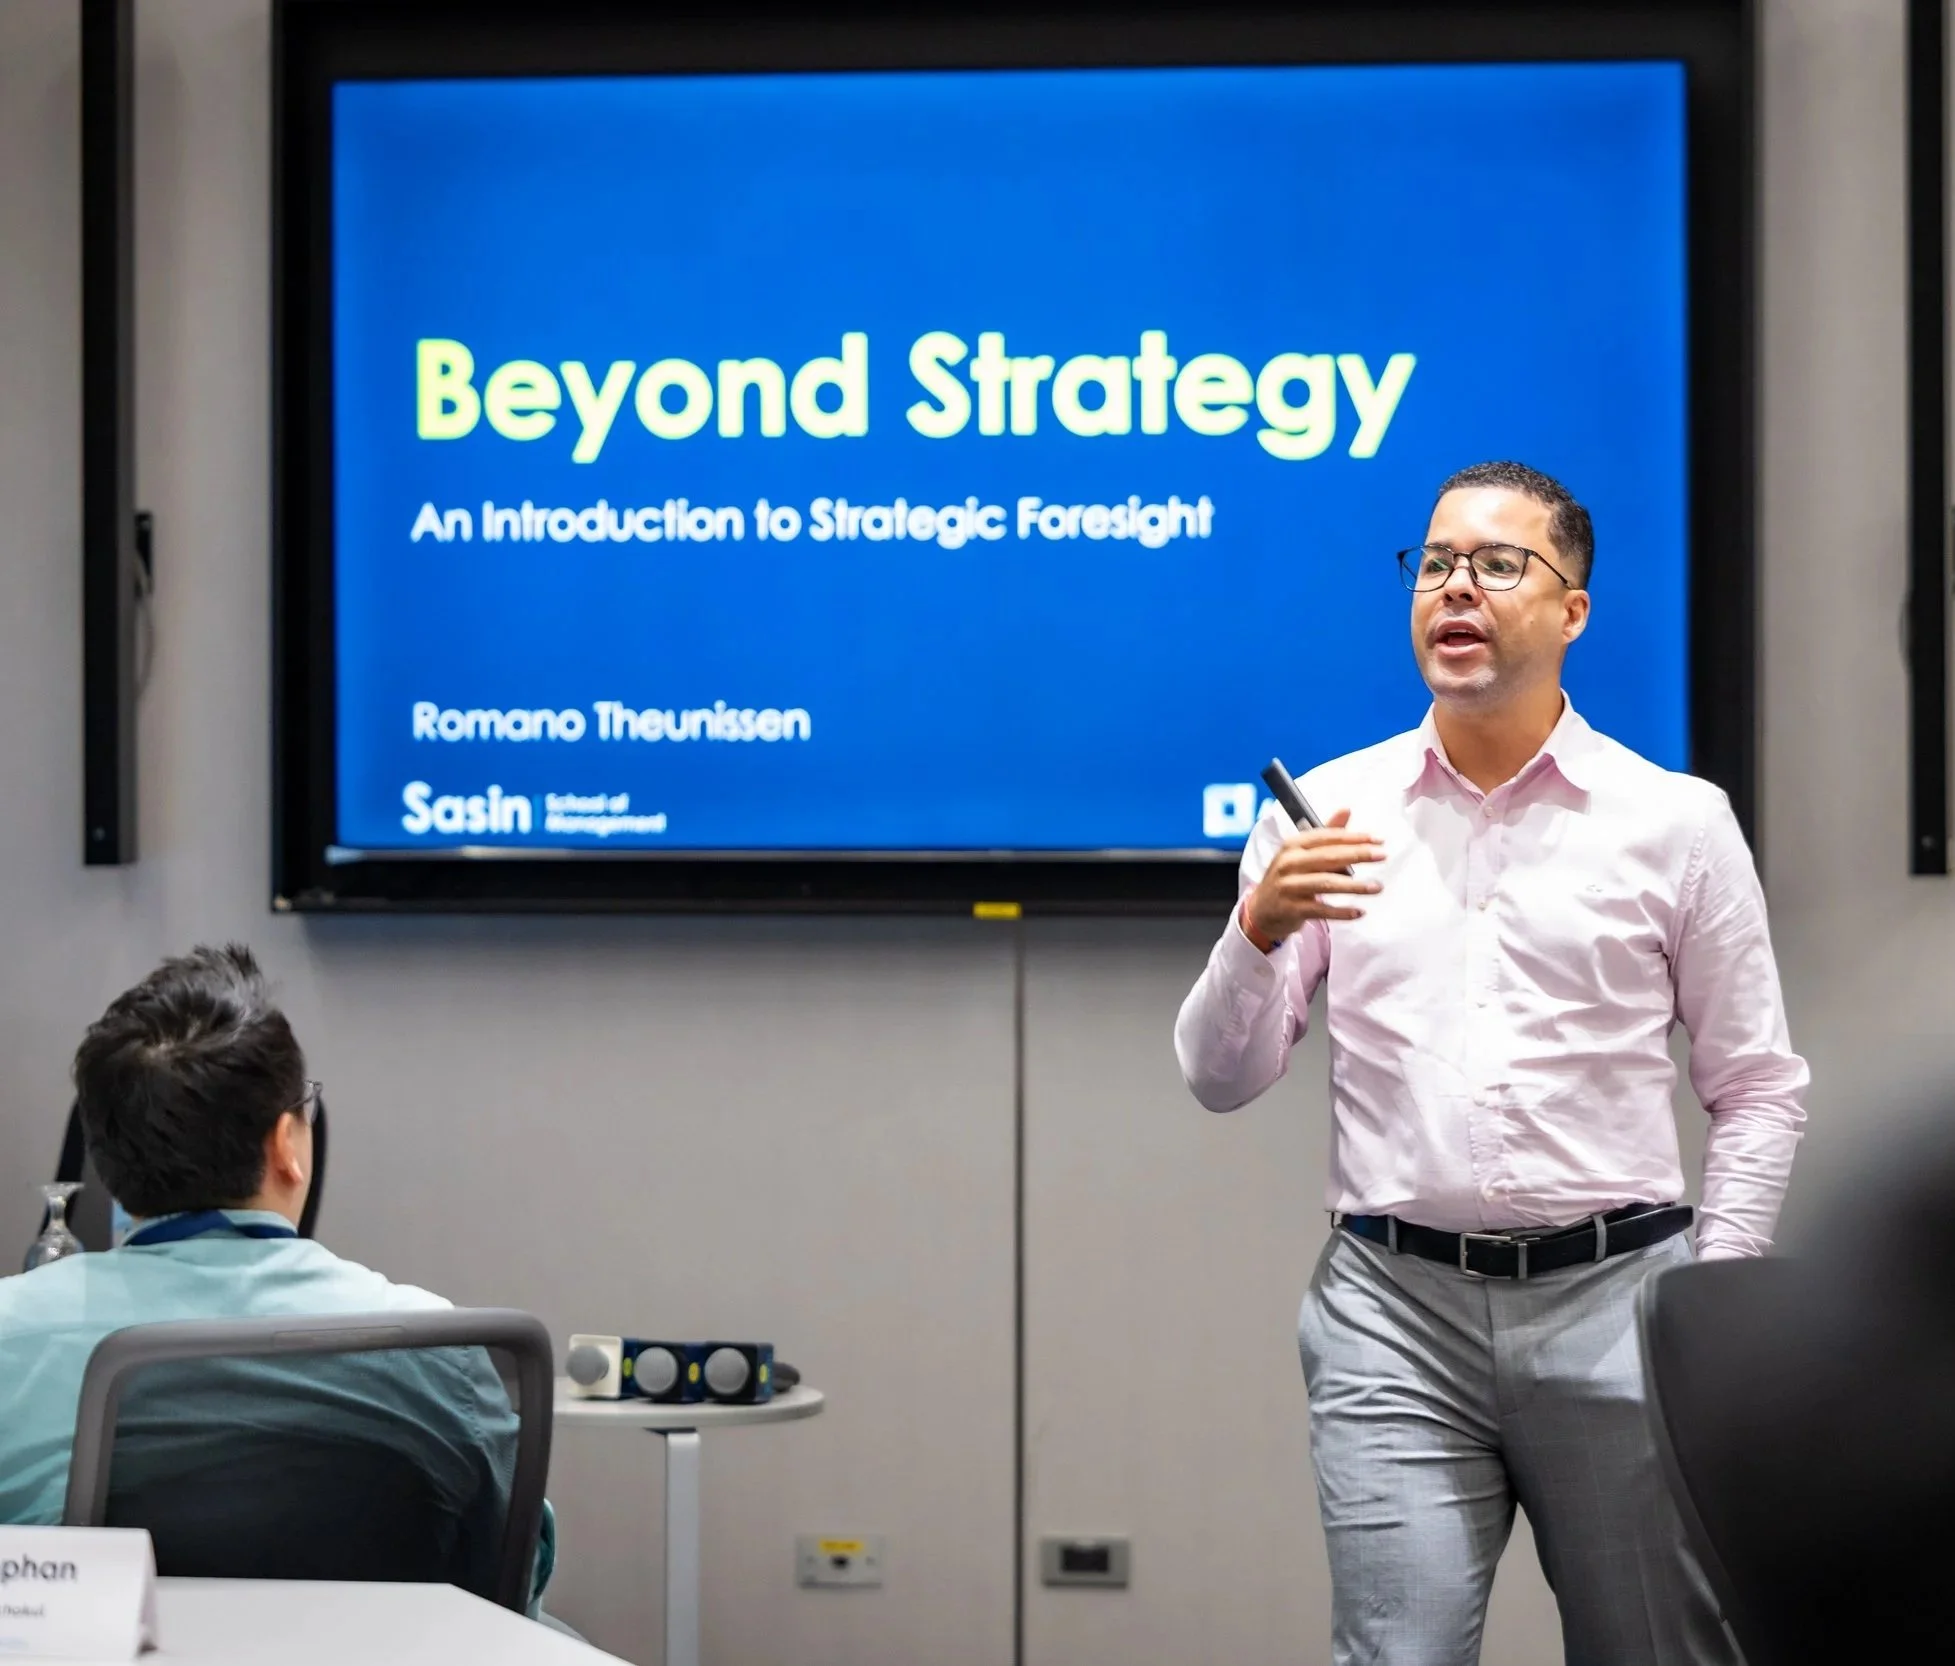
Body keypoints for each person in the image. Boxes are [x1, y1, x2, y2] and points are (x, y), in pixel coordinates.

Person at [1175, 461, 1807, 1666]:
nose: (1453, 587)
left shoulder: (1672, 819)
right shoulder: (1323, 811)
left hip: (1618, 1304)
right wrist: (1255, 929)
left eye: (1496, 563)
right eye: (1433, 562)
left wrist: (1707, 1304)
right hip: (1388, 1314)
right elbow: (1217, 1074)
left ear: (1571, 608)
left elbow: (1756, 1085)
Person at [0, 944, 555, 1611]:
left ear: (108, 1166)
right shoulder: (439, 1350)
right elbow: (513, 1570)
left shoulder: (9, 1328)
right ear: (286, 1145)